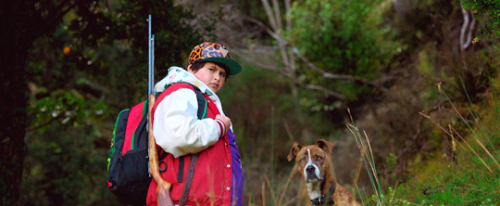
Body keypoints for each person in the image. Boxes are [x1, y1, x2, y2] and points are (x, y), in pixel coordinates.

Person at [146, 42, 244, 206]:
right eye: (211, 69)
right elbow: (177, 136)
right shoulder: (181, 92)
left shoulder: (207, 102)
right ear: (191, 68)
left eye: (222, 74)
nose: (217, 77)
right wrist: (218, 127)